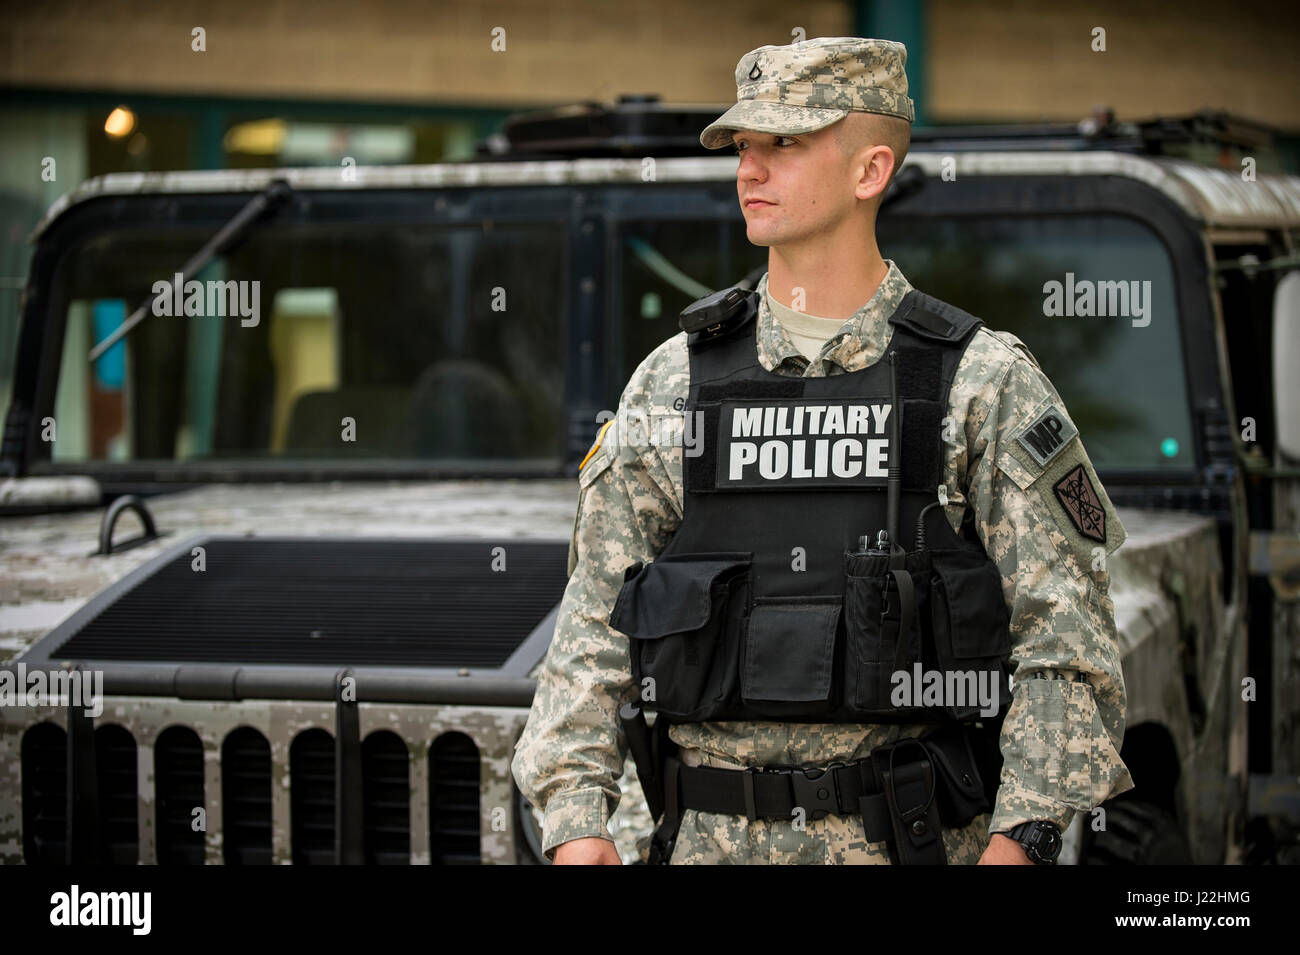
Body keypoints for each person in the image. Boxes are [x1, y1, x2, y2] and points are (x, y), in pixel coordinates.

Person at [511, 35, 1134, 865]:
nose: (749, 169)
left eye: (785, 143)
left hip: (907, 841)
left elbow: (1069, 646)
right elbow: (591, 627)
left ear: (869, 171)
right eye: (743, 146)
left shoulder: (977, 383)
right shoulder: (673, 385)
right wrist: (578, 825)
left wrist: (1020, 842)